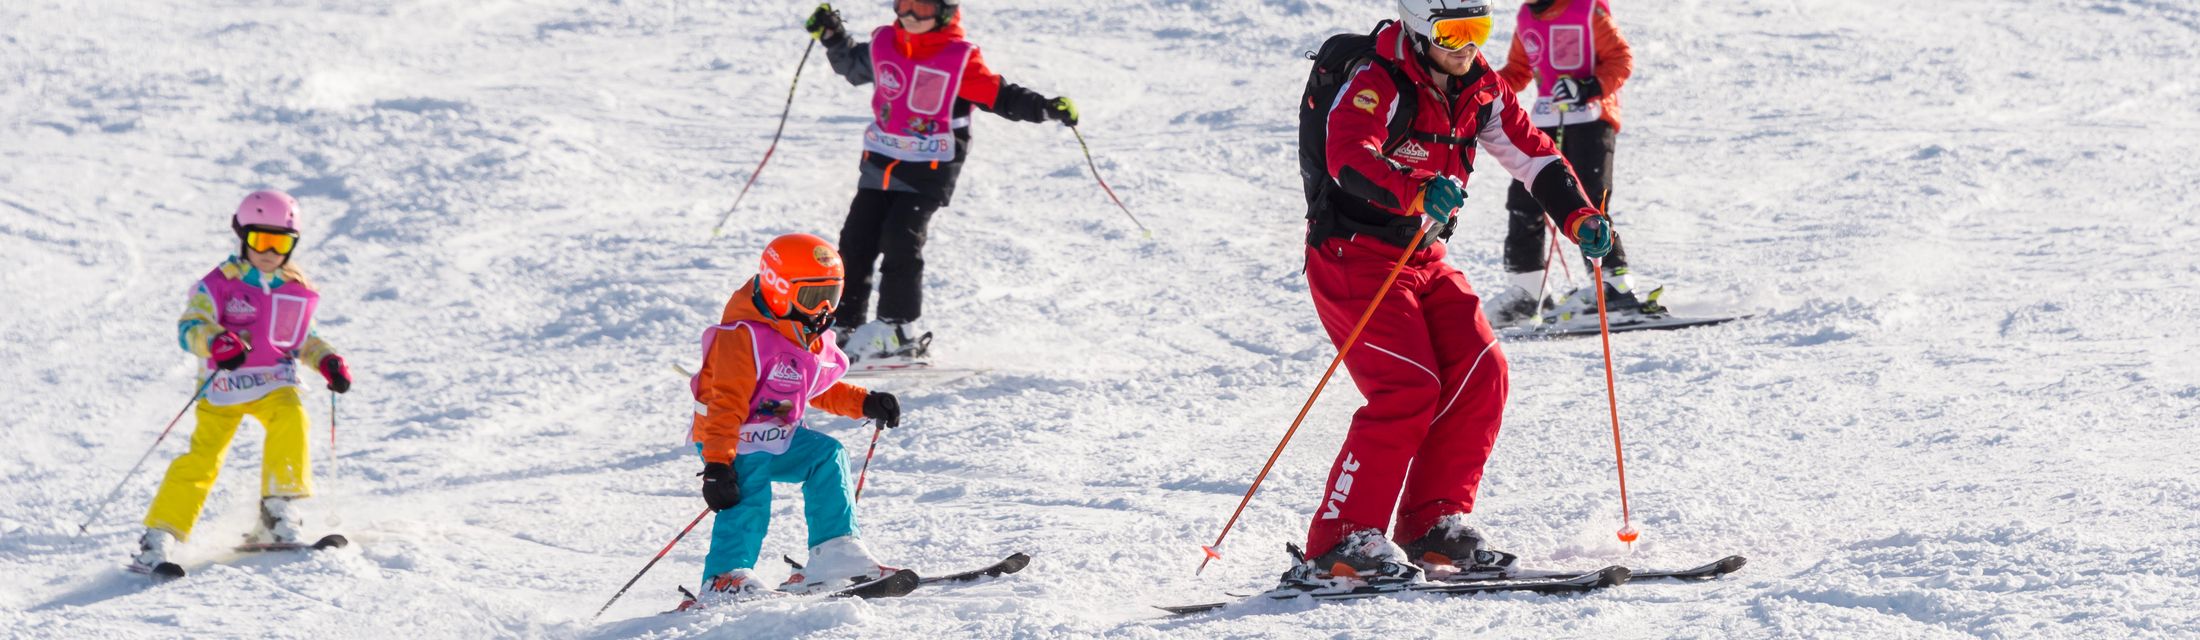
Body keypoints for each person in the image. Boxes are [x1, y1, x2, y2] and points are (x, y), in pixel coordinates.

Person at [1289, 0, 1613, 588]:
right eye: (1452, 32)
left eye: (1477, 30)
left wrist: (1578, 214)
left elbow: (1534, 156)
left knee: (1482, 370)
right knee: (1407, 387)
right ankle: (1340, 540)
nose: (1466, 45)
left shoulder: (1480, 88)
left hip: (1421, 254)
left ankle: (1432, 524)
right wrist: (1415, 189)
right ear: (1418, 28)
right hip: (1353, 255)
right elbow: (1348, 156)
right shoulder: (1377, 79)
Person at [803, 0, 1080, 361]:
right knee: (856, 240)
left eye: (922, 8)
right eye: (904, 5)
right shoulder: (886, 43)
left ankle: (897, 329)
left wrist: (1045, 107)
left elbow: (1000, 95)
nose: (910, 16)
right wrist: (832, 36)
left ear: (945, 12)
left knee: (900, 240)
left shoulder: (958, 59)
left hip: (928, 169)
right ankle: (844, 325)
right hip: (880, 163)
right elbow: (854, 66)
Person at [131, 190, 352, 573]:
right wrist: (216, 341)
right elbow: (190, 327)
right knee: (202, 460)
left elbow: (304, 339)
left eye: (280, 243)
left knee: (292, 418)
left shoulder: (294, 289)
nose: (269, 251)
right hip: (224, 389)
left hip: (273, 382)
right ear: (242, 237)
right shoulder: (219, 285)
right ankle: (159, 536)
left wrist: (327, 360)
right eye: (260, 240)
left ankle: (276, 511)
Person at [681, 233, 906, 606]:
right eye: (812, 296)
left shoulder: (803, 331)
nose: (823, 308)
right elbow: (725, 404)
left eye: (831, 295)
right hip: (729, 436)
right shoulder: (742, 339)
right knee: (751, 488)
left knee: (826, 455)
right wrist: (718, 464)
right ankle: (724, 577)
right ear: (778, 288)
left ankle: (834, 552)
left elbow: (811, 386)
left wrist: (864, 402)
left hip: (775, 433)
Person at [1487, 0, 1644, 326]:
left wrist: (1587, 86)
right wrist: (1481, 90)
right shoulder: (1528, 17)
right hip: (1547, 119)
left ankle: (1614, 285)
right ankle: (1527, 291)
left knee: (1589, 197)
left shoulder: (1586, 9)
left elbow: (1620, 59)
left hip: (1592, 116)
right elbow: (1518, 71)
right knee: (1525, 198)